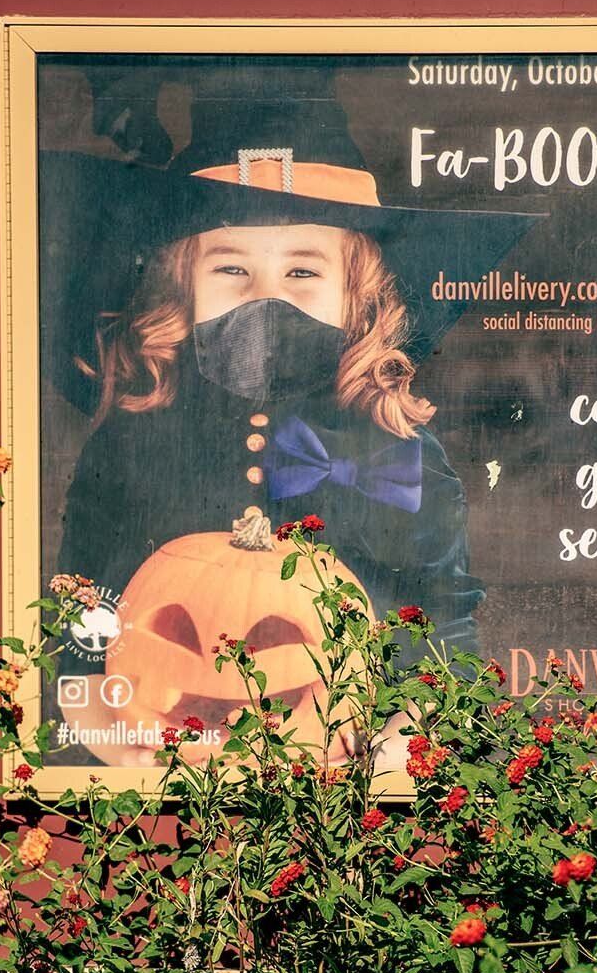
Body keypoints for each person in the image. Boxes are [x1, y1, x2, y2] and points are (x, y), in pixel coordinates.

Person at [51, 78, 530, 763]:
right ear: (182, 287)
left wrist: (399, 746)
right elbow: (79, 619)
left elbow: (445, 631)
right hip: (167, 759)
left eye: (302, 272)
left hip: (346, 779)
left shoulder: (400, 450)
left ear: (359, 298)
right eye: (231, 269)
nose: (265, 298)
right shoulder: (131, 439)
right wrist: (110, 739)